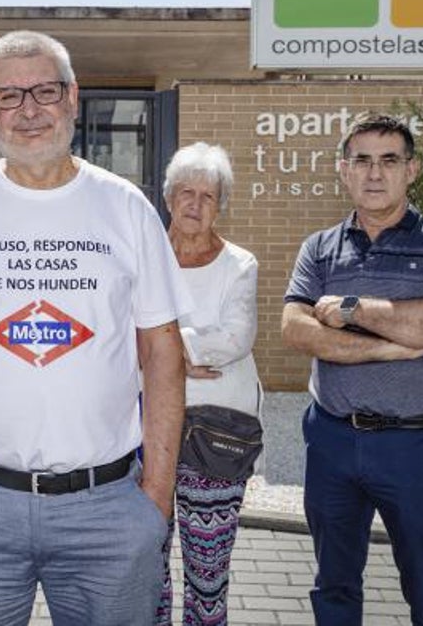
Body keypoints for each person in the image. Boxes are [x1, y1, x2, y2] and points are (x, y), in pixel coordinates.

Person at [0, 30, 191, 626]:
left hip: (106, 512)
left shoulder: (126, 208)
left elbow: (162, 353)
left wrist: (155, 498)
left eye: (45, 91)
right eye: (8, 96)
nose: (28, 110)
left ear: (73, 97)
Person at [281, 112, 423, 626]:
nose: (375, 174)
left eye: (389, 160)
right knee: (334, 587)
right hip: (331, 441)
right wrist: (391, 345)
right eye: (362, 160)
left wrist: (350, 310)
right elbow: (296, 330)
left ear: (411, 170)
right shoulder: (320, 247)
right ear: (343, 170)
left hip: (414, 446)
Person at [155, 142, 262, 626]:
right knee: (145, 565)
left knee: (207, 571)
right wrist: (184, 351)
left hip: (215, 435)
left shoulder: (240, 264)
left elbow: (235, 338)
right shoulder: (144, 259)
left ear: (221, 205)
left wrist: (163, 346)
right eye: (186, 193)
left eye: (208, 196)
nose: (195, 205)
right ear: (168, 197)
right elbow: (115, 333)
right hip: (145, 429)